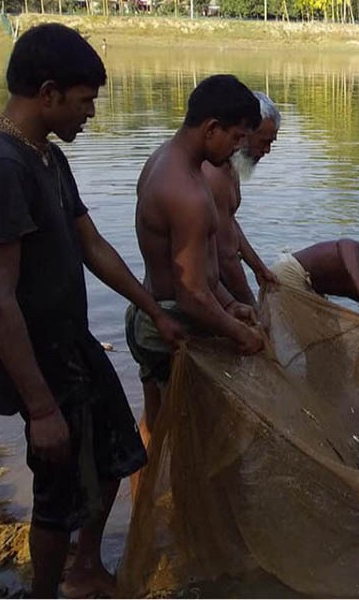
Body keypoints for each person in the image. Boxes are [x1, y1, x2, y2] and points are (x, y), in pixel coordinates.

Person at [0, 23, 185, 598]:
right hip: (37, 360)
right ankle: (46, 591)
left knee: (119, 448)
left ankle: (86, 567)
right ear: (48, 94)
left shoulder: (46, 158)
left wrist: (154, 309)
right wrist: (40, 408)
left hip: (74, 343)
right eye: (85, 100)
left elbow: (92, 247)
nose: (90, 112)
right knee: (56, 484)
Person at [126, 74, 266, 448]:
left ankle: (149, 499)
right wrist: (239, 333)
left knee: (159, 424)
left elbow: (196, 272)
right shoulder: (188, 193)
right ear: (212, 128)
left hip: (151, 312)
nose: (239, 147)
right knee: (193, 439)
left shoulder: (163, 158)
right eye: (236, 137)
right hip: (172, 324)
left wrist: (231, 304)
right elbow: (191, 293)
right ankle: (178, 503)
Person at [202, 91, 281, 307]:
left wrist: (258, 268)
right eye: (264, 141)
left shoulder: (230, 166)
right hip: (203, 296)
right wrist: (251, 309)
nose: (267, 150)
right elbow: (226, 255)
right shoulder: (215, 174)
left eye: (271, 143)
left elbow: (228, 223)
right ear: (244, 133)